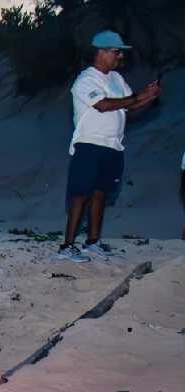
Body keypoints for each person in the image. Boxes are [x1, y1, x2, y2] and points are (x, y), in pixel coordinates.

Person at [57, 30, 162, 263]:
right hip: (89, 144)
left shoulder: (116, 79)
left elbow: (130, 105)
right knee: (80, 195)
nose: (120, 58)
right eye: (116, 52)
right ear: (101, 52)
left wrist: (149, 96)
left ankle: (92, 242)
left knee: (100, 194)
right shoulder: (86, 79)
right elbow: (103, 105)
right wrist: (138, 97)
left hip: (113, 146)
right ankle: (67, 245)